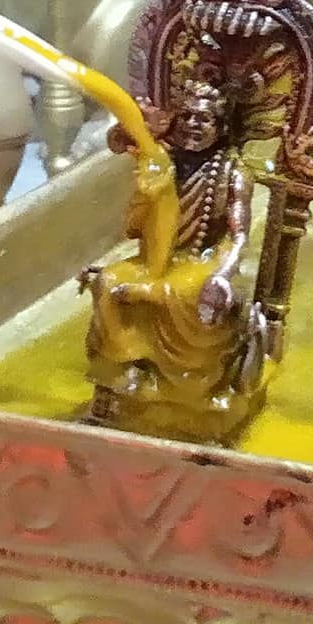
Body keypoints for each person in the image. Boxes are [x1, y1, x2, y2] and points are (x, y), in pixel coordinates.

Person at [79, 79, 266, 437]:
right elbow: (134, 229)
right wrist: (146, 194)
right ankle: (127, 370)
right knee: (109, 283)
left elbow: (238, 234)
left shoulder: (234, 173)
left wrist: (223, 275)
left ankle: (190, 392)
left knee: (181, 296)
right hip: (158, 259)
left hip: (202, 262)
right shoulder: (162, 164)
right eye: (188, 117)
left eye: (204, 119)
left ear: (221, 126)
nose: (194, 125)